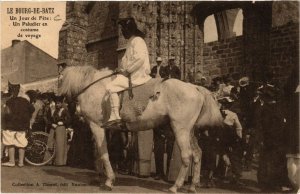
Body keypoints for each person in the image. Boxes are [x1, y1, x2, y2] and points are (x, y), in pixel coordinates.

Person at [103, 17, 152, 128]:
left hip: (137, 75)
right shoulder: (131, 42)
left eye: (123, 30)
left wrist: (126, 71)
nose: (122, 32)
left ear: (128, 30)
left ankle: (115, 116)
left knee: (110, 87)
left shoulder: (137, 41)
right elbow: (127, 61)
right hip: (131, 73)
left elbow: (139, 59)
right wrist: (120, 70)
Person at [2, 83, 34, 167]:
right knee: (21, 143)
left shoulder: (9, 101)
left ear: (12, 92)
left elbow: (6, 113)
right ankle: (21, 162)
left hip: (11, 125)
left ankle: (12, 161)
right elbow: (32, 109)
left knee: (10, 143)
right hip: (22, 126)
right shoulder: (25, 101)